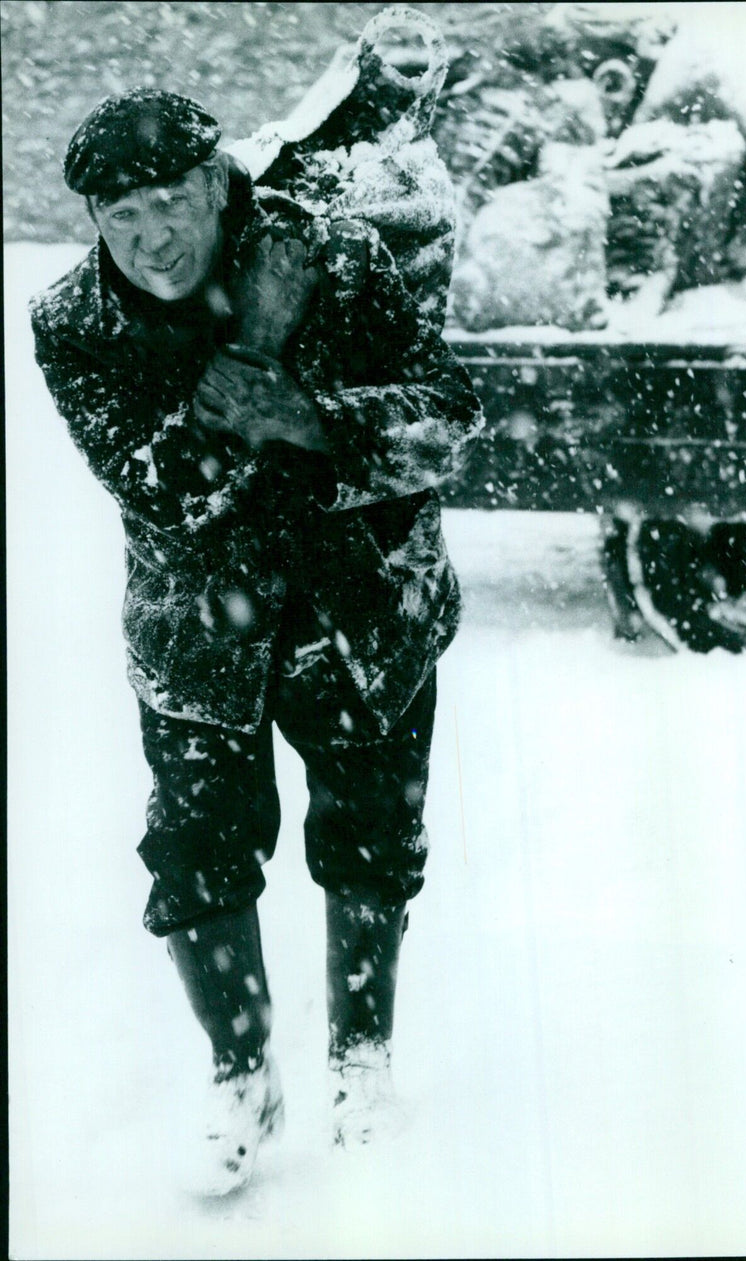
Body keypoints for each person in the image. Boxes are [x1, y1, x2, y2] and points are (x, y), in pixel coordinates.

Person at [29, 87, 483, 1194]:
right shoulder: (72, 323)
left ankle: (359, 1054)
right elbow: (156, 489)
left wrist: (317, 418)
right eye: (118, 213)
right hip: (198, 633)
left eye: (170, 199)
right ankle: (240, 1067)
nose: (151, 235)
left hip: (361, 610)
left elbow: (449, 417)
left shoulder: (340, 255)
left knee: (371, 832)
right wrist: (239, 375)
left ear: (220, 182)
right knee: (195, 849)